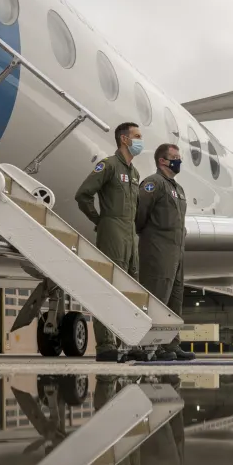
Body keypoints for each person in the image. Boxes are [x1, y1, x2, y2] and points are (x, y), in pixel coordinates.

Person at [75, 121, 147, 362]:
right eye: (137, 136)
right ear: (124, 139)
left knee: (130, 290)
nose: (140, 140)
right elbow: (83, 195)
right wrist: (100, 219)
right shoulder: (108, 166)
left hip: (130, 234)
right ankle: (106, 344)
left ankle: (129, 341)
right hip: (112, 230)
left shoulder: (135, 173)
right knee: (109, 287)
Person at [135, 143, 194, 361]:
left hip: (176, 251)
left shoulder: (177, 189)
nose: (179, 161)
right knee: (157, 297)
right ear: (162, 160)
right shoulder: (153, 183)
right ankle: (151, 345)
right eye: (175, 157)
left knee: (175, 299)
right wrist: (151, 235)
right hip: (157, 248)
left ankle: (171, 344)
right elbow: (139, 214)